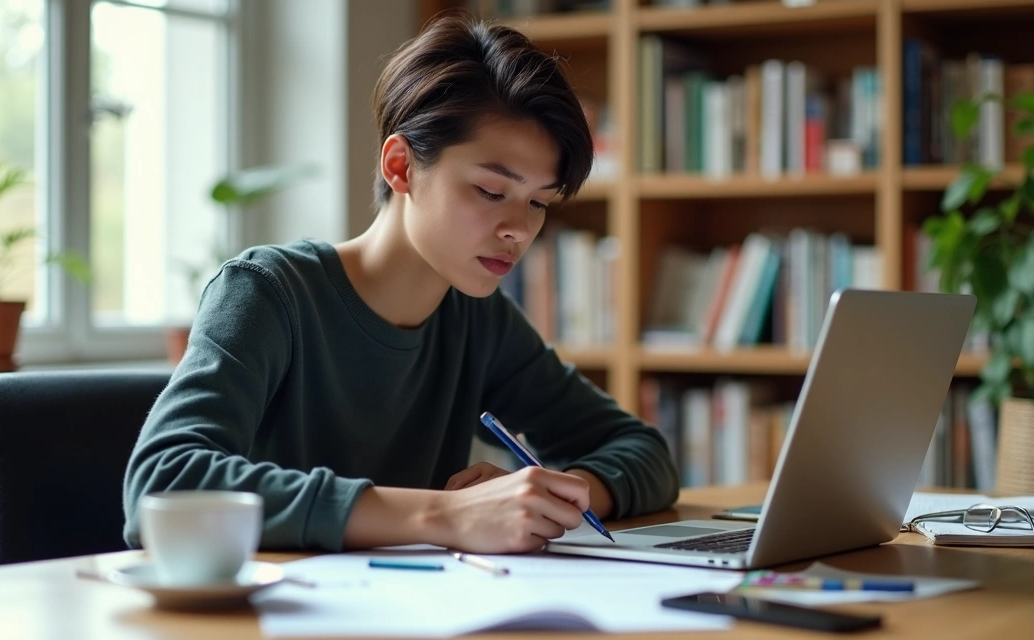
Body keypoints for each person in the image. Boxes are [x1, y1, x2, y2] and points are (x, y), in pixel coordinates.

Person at [122, 13, 679, 555]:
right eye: (490, 191)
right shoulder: (269, 293)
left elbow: (642, 451)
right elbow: (162, 482)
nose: (518, 230)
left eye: (538, 202)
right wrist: (446, 515)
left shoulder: (475, 316)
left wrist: (551, 496)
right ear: (401, 167)